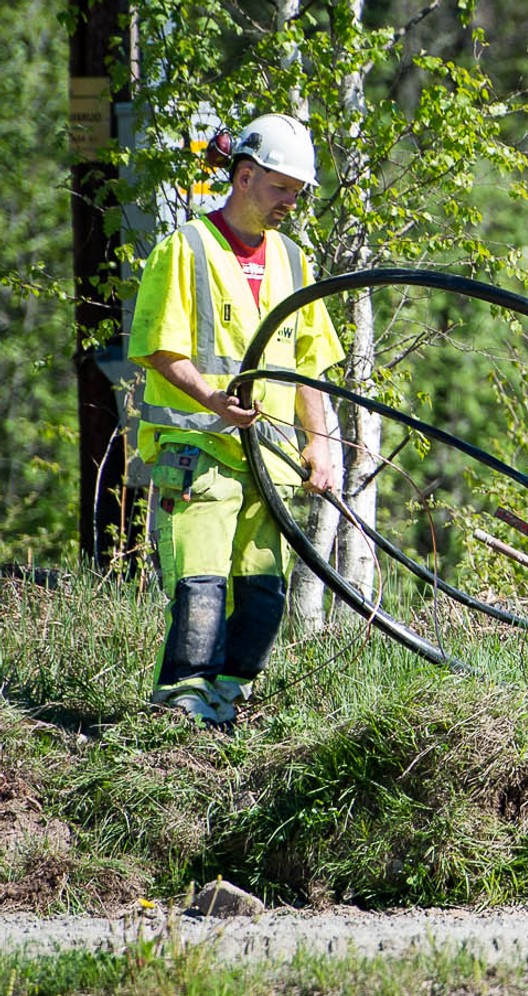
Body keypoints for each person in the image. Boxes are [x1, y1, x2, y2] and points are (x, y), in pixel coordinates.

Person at [128, 112, 345, 727]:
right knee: (200, 587)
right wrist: (213, 398)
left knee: (262, 594)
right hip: (199, 450)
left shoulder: (293, 261)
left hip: (268, 459)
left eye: (297, 192)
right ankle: (181, 702)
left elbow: (309, 365)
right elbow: (159, 347)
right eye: (281, 188)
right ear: (244, 176)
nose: (289, 202)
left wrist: (319, 444)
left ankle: (229, 700)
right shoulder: (186, 249)